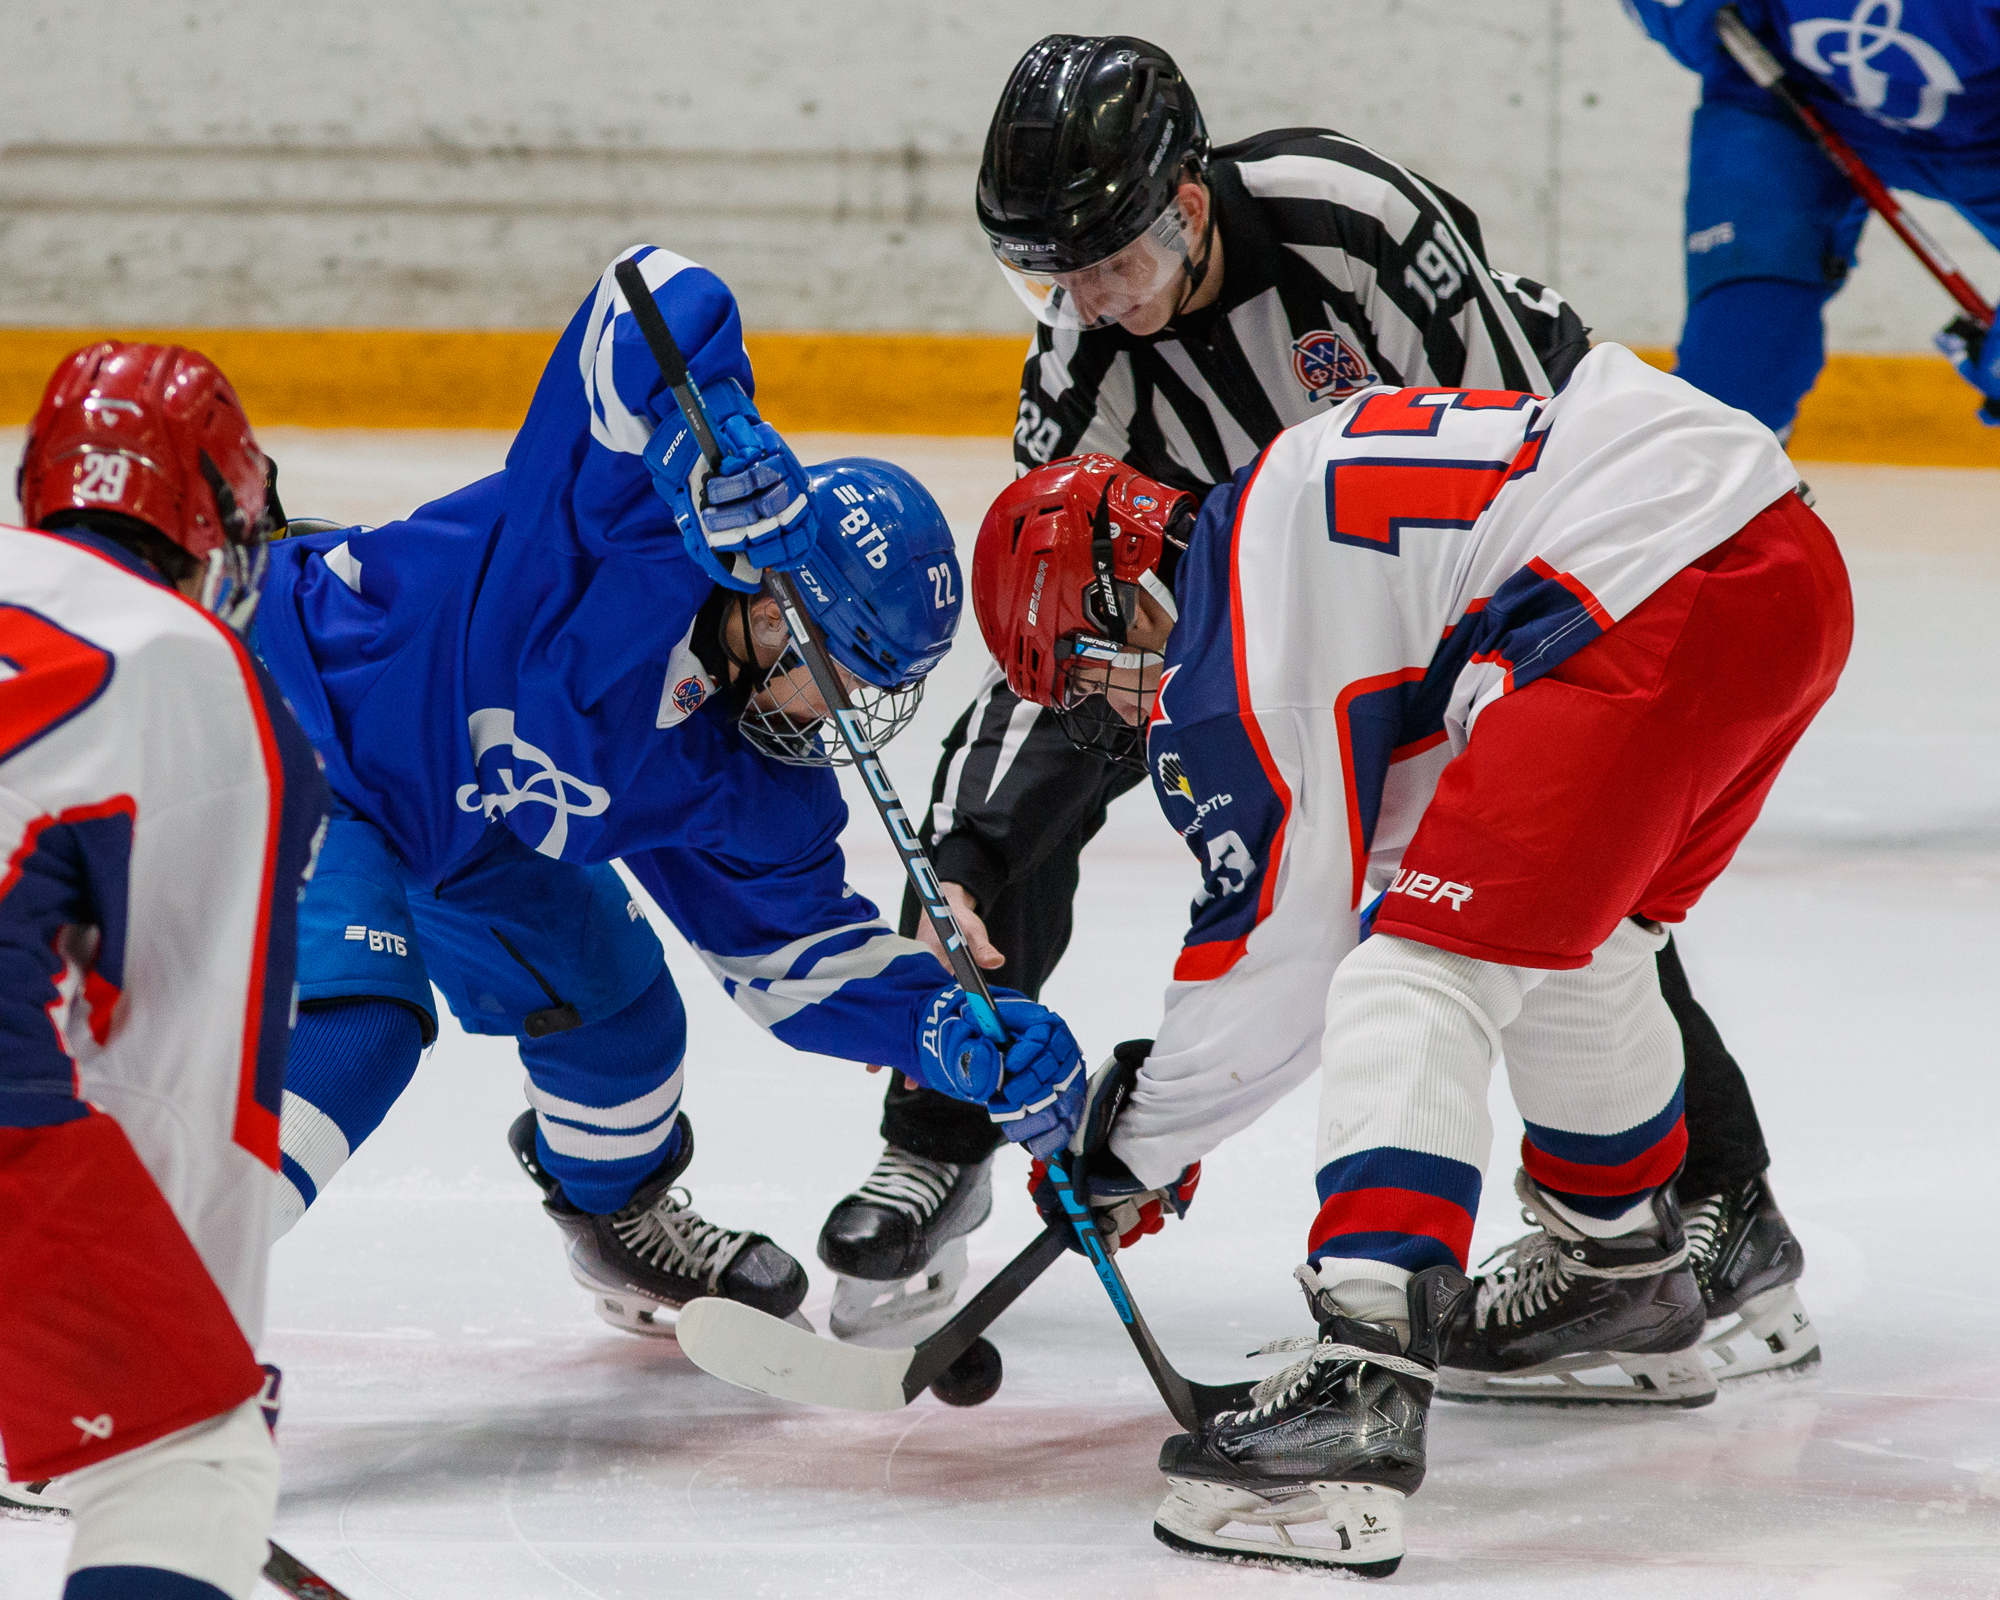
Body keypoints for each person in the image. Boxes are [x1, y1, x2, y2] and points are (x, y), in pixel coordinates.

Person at [823, 30, 1816, 1389]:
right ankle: (940, 1134)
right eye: (1043, 273)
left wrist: (1146, 1133)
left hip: (1513, 574)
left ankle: (1711, 1202)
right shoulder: (1083, 389)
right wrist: (968, 858)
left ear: (1187, 202)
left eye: (1107, 259)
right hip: (1301, 585)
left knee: (1534, 867)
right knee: (1003, 839)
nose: (1085, 302)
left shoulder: (1344, 220)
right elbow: (1061, 649)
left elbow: (1528, 460)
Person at [969, 345, 1851, 1573]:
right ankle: (1617, 1277)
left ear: (1117, 590)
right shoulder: (1285, 521)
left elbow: (1279, 948)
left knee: (1409, 970)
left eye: (1082, 661)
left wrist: (1127, 1149)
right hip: (1776, 567)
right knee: (1566, 938)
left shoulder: (1242, 623)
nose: (1111, 706)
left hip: (1646, 585)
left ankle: (1359, 1384)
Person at [252, 244, 1090, 1336]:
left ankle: (616, 1225)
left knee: (615, 1010)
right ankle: (103, 1309)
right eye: (834, 674)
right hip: (297, 712)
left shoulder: (749, 779)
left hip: (453, 834)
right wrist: (714, 439)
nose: (835, 715)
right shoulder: (627, 527)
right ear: (769, 608)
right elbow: (643, 292)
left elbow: (796, 964)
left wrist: (942, 1030)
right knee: (359, 1026)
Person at [0, 343, 328, 1600]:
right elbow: (189, 1079)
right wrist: (202, 1373)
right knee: (184, 1469)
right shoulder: (199, 675)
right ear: (216, 521)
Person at [1624, 0, 2000, 433]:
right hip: (1793, 100)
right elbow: (1686, 28)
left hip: (1988, 143)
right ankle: (1703, 490)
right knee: (1740, 353)